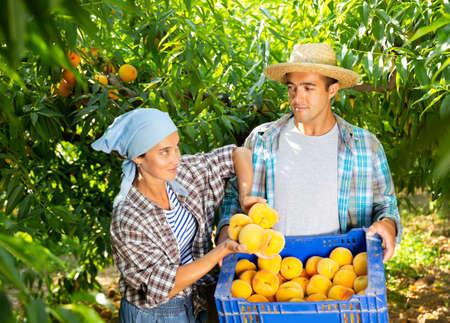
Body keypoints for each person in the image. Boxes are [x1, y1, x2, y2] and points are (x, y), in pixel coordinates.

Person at [217, 43, 402, 262]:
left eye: (308, 88)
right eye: (292, 88)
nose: (297, 98)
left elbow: (386, 205)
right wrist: (225, 230)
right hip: (270, 275)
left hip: (340, 273)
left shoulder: (365, 147)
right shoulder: (262, 141)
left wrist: (388, 224)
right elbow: (233, 196)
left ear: (332, 90)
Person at [91, 108, 264, 323]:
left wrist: (246, 196)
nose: (176, 158)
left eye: (176, 147)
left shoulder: (181, 174)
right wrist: (222, 250)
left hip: (196, 301)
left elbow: (239, 154)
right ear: (138, 157)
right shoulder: (129, 218)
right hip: (155, 314)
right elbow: (166, 285)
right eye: (164, 151)